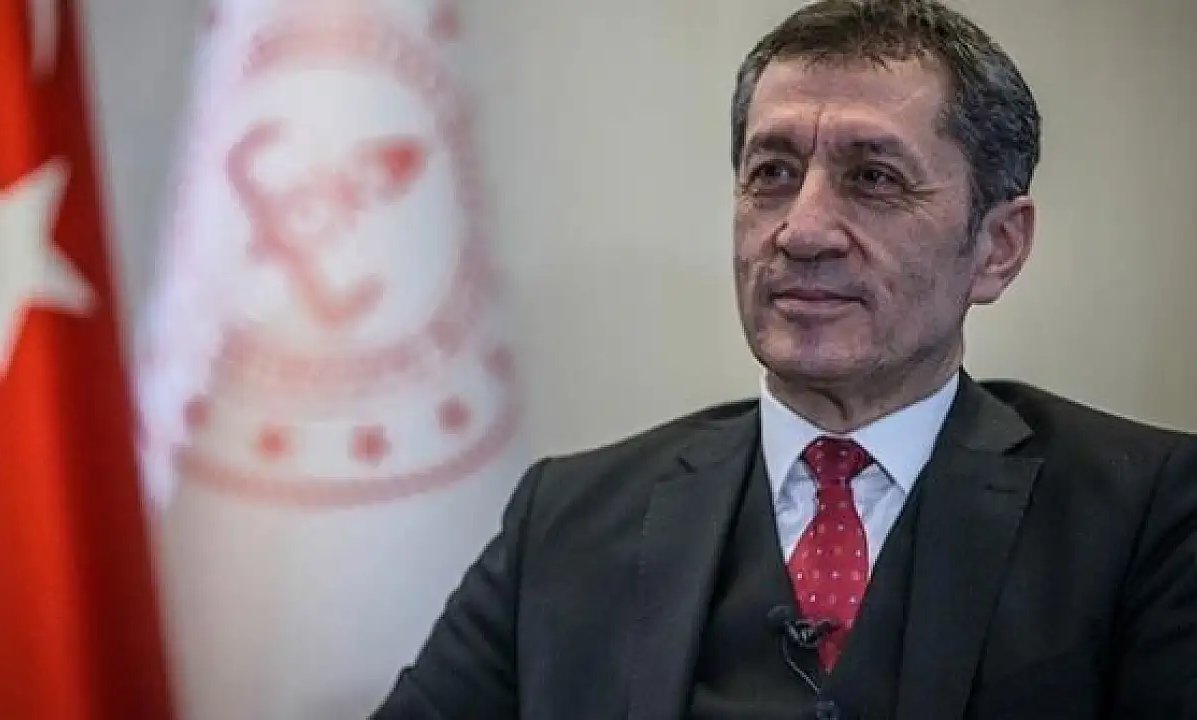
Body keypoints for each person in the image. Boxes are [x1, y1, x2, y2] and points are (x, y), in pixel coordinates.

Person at [371, 1, 1197, 717]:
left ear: (998, 247)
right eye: (771, 172)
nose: (802, 231)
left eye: (873, 178)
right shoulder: (566, 519)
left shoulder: (1145, 511)